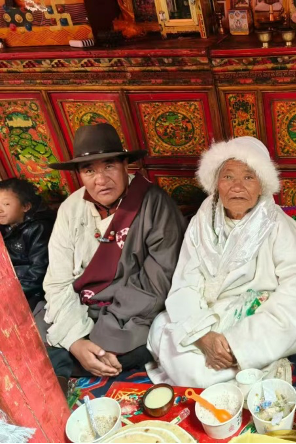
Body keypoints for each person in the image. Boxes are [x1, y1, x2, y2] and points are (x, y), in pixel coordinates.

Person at [147, 137, 296, 388]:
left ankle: (240, 368)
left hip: (256, 315)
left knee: (199, 371)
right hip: (208, 315)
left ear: (262, 185)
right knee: (162, 329)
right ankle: (238, 376)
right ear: (216, 183)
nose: (237, 186)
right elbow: (185, 281)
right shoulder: (202, 221)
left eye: (248, 177)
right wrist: (202, 335)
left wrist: (237, 345)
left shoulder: (279, 225)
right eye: (228, 177)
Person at [35, 123, 185, 383]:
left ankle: (90, 358)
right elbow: (58, 280)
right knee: (33, 335)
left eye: (109, 166)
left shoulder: (154, 203)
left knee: (122, 347)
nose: (100, 180)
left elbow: (158, 282)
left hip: (130, 312)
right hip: (81, 304)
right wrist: (75, 339)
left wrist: (102, 334)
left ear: (126, 165)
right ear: (79, 174)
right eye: (89, 170)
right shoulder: (71, 208)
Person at [0, 178, 55, 311]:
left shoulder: (38, 228)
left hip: (31, 290)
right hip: (9, 283)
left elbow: (39, 271)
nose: (0, 209)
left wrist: (12, 293)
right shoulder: (5, 227)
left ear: (26, 207)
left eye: (6, 204)